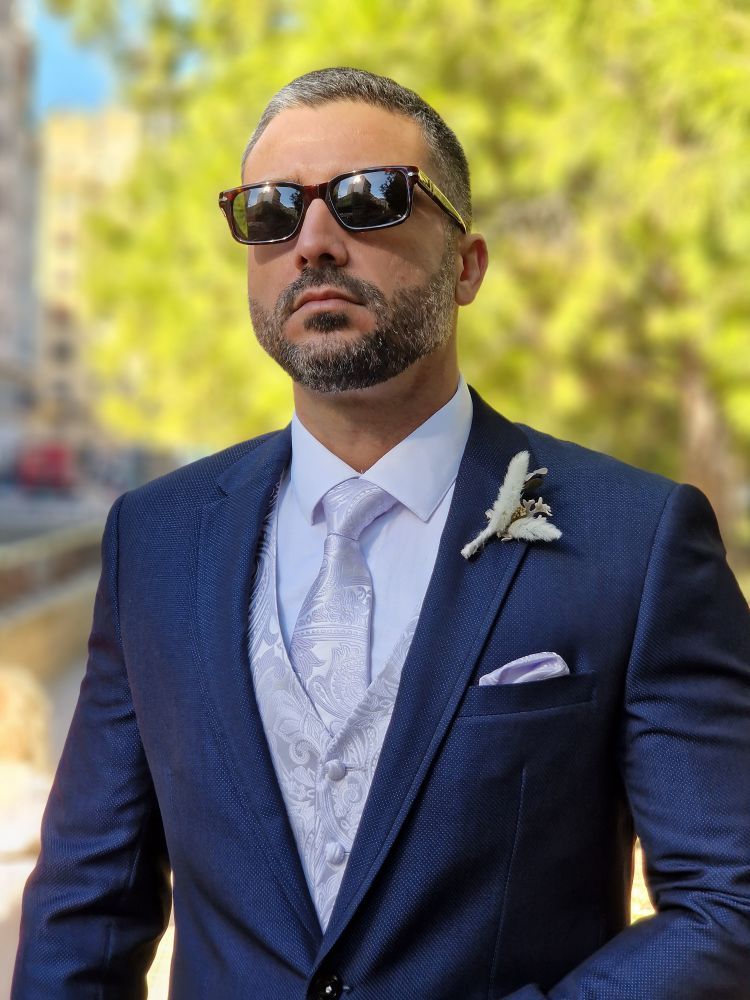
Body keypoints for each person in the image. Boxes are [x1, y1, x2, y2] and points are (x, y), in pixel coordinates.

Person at [12, 67, 750, 1000]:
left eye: (368, 200)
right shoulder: (154, 541)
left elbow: (729, 900)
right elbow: (86, 912)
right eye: (272, 212)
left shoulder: (635, 540)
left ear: (467, 265)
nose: (313, 241)